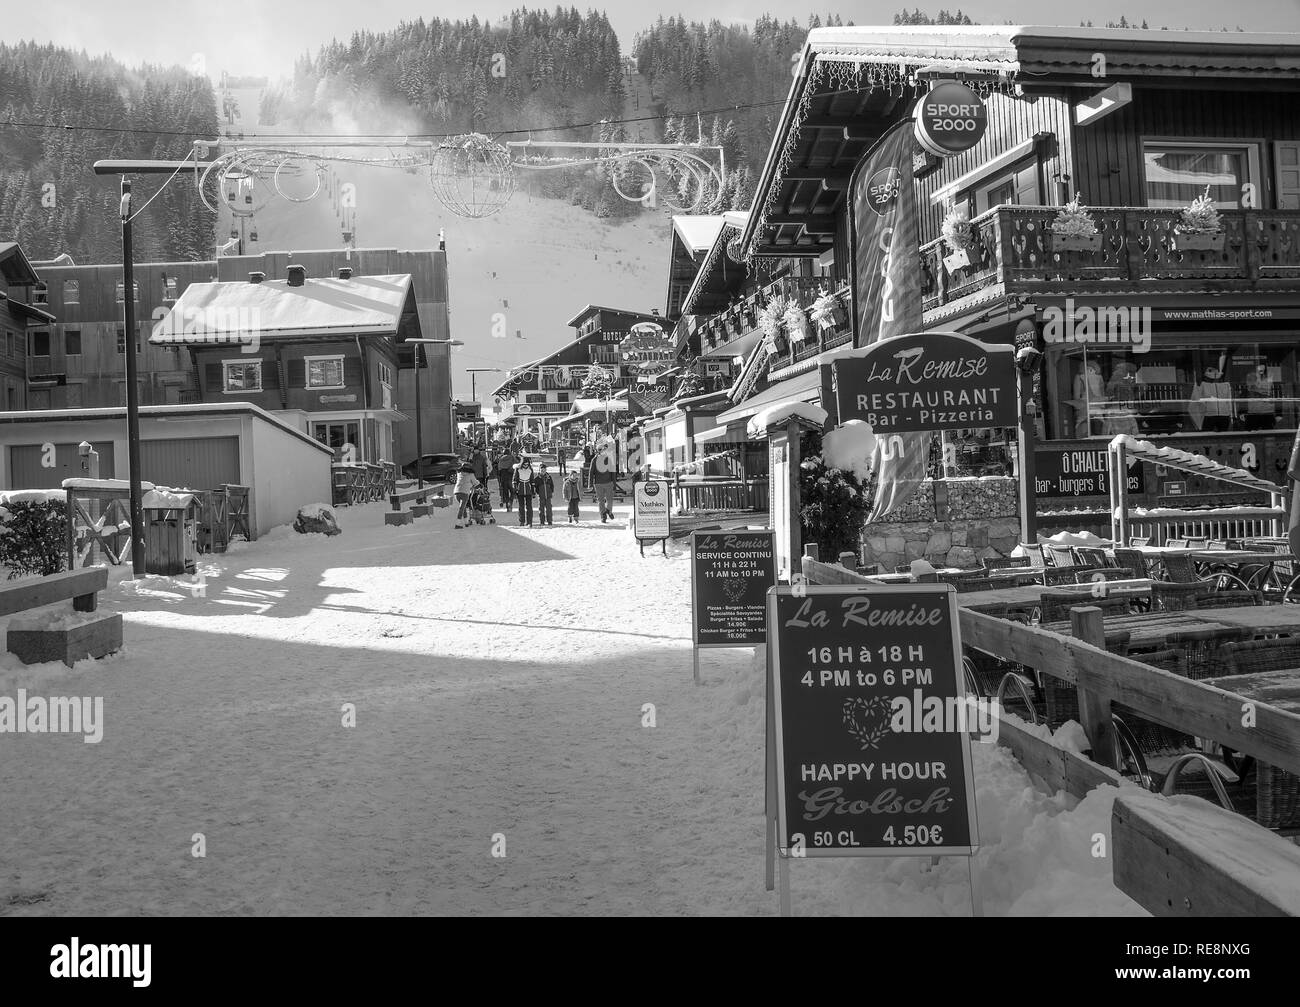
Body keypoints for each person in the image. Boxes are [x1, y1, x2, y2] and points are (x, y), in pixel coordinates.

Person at [1189, 366, 1234, 431]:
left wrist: (1230, 414)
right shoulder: (1203, 385)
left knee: (1220, 436)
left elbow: (1229, 400)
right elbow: (1196, 400)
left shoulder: (1226, 385)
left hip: (1222, 414)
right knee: (1209, 436)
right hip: (1211, 415)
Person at [590, 438, 617, 523]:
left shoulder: (609, 459)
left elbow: (613, 471)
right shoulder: (594, 460)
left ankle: (608, 510)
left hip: (608, 482)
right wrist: (590, 484)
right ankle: (603, 516)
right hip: (598, 484)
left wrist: (614, 483)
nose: (605, 451)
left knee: (610, 499)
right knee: (601, 501)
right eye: (603, 450)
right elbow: (591, 472)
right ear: (599, 451)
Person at [1242, 364, 1276, 430]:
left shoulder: (1269, 378)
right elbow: (1251, 388)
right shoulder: (1250, 377)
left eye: (1263, 370)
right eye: (1259, 370)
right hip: (1253, 411)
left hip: (1267, 412)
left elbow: (1269, 392)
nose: (1261, 371)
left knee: (1269, 435)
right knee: (1249, 435)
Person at [452, 463, 477, 530]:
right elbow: (475, 482)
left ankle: (466, 522)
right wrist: (478, 483)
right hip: (464, 493)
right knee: (462, 508)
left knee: (463, 507)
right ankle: (457, 524)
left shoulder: (459, 473)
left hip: (456, 492)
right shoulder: (471, 474)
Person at [513, 454, 536, 527]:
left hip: (528, 489)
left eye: (527, 464)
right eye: (524, 464)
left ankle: (529, 521)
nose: (526, 466)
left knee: (529, 506)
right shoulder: (518, 469)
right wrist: (515, 489)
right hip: (520, 489)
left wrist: (533, 491)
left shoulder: (530, 469)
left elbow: (532, 481)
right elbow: (514, 480)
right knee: (521, 507)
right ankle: (522, 521)